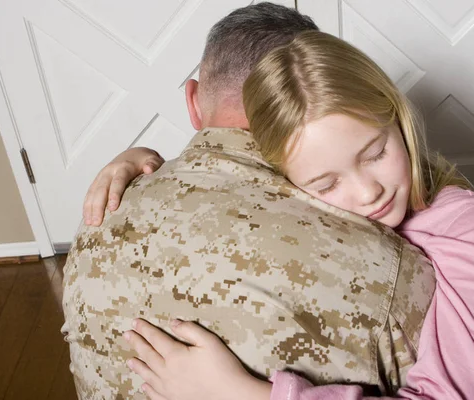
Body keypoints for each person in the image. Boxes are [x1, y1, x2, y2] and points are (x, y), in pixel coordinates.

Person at [84, 31, 474, 400]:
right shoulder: (286, 196)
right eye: (326, 184)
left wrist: (243, 393)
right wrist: (140, 158)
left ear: (396, 114)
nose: (368, 191)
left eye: (375, 151)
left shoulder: (468, 227)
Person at [63, 3, 438, 399]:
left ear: (192, 101)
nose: (367, 192)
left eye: (375, 153)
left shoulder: (98, 216)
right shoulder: (393, 269)